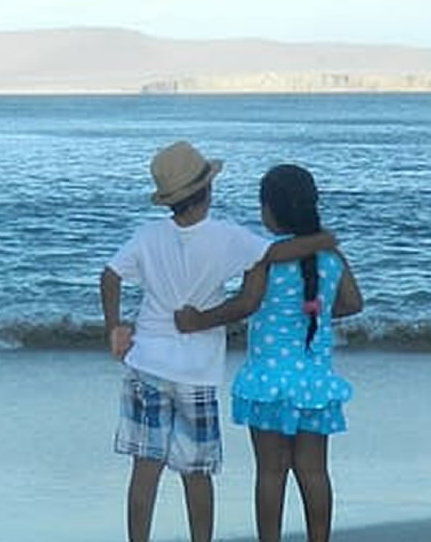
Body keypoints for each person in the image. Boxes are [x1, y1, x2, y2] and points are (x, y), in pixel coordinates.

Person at [101, 141, 337, 542]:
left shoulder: (147, 236)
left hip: (147, 363)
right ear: (208, 191)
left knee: (144, 469)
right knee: (197, 473)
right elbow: (276, 254)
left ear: (169, 201)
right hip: (195, 371)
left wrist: (115, 326)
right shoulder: (227, 238)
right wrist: (324, 240)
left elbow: (109, 275)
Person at [175, 164, 362, 542]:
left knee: (271, 472)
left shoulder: (264, 257)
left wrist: (199, 320)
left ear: (272, 210)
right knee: (313, 471)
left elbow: (245, 304)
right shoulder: (330, 257)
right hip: (313, 382)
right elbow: (352, 303)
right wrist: (317, 310)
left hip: (267, 381)